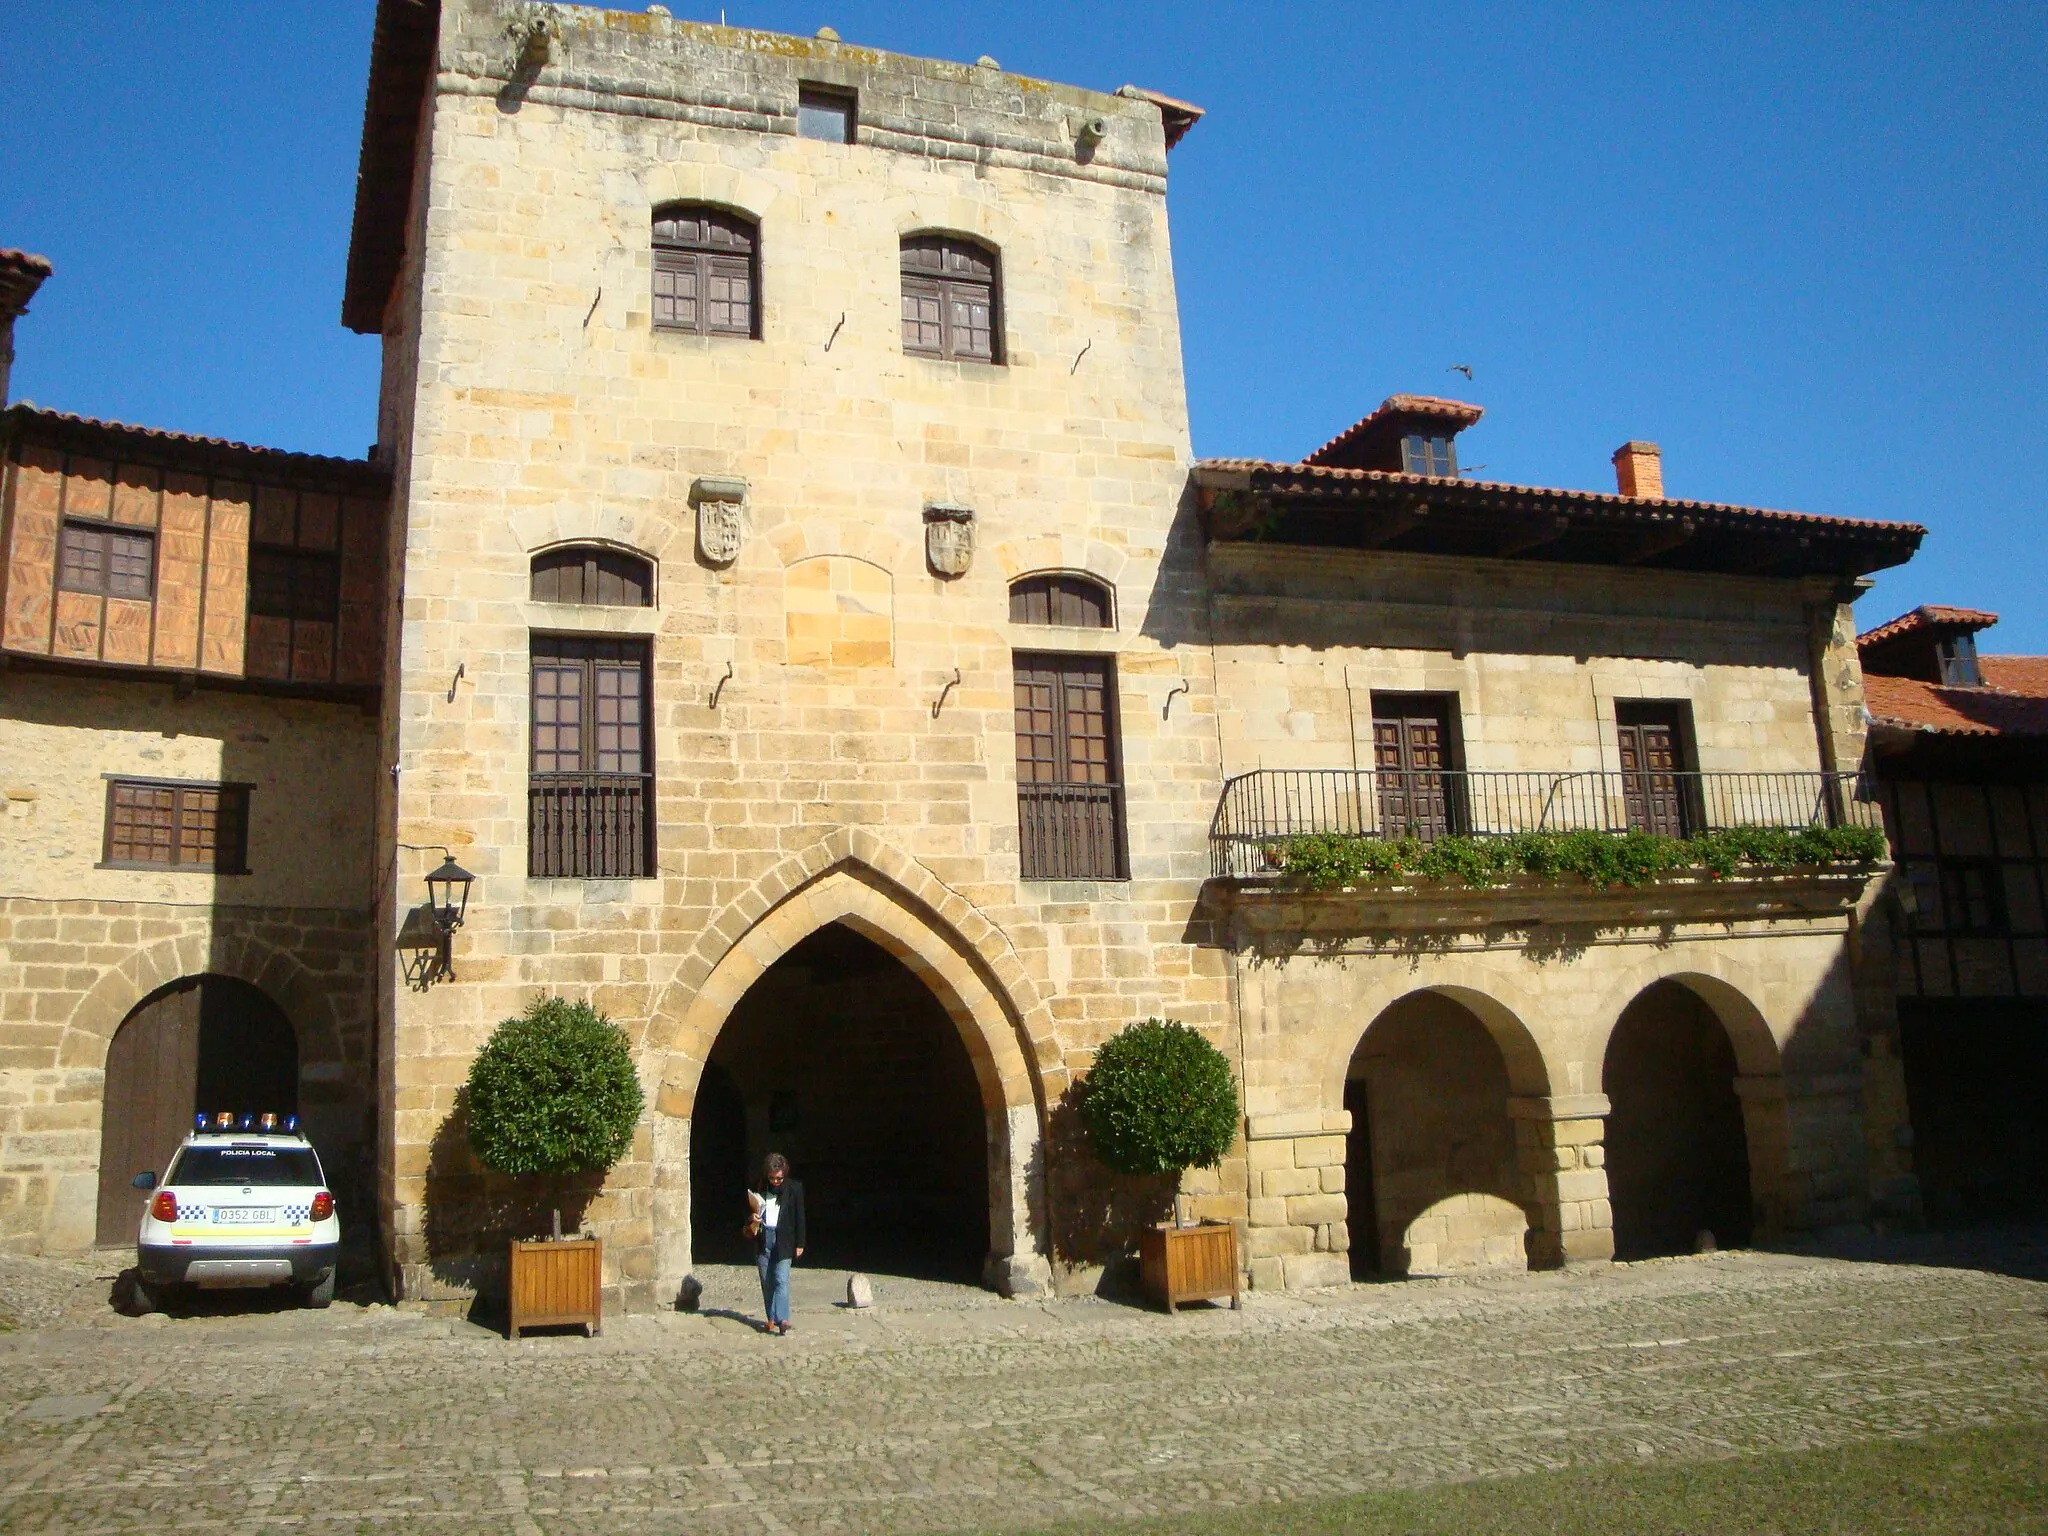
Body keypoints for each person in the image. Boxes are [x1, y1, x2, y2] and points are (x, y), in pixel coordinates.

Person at [751, 1152, 805, 1336]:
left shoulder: (794, 1188)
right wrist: (752, 1217)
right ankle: (771, 1318)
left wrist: (800, 1243)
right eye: (772, 1178)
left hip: (784, 1239)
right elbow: (747, 1211)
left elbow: (800, 1217)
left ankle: (783, 1319)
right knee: (767, 1281)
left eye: (779, 1178)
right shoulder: (759, 1187)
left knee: (781, 1279)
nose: (775, 1181)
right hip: (764, 1236)